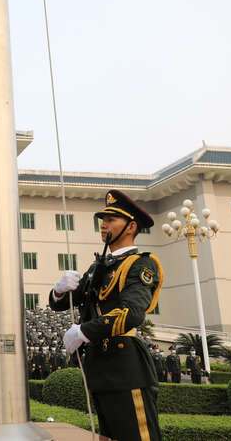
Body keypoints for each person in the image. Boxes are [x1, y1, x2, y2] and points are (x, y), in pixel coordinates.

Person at [49, 189, 164, 441]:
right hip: (99, 368)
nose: (104, 225)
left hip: (125, 366)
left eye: (111, 220)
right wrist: (59, 291)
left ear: (131, 226)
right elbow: (65, 302)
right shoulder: (97, 267)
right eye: (103, 219)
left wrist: (84, 331)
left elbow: (132, 313)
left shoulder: (141, 264)